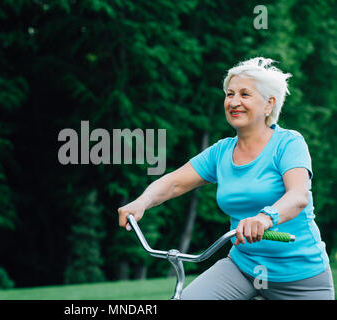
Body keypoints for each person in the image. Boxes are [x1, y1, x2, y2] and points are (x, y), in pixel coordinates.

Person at [117, 57, 334, 300]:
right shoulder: (221, 152)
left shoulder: (289, 143)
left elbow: (298, 196)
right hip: (242, 268)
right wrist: (142, 202)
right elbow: (174, 182)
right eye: (230, 94)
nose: (234, 101)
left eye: (245, 94)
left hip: (300, 276)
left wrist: (265, 218)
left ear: (268, 104)